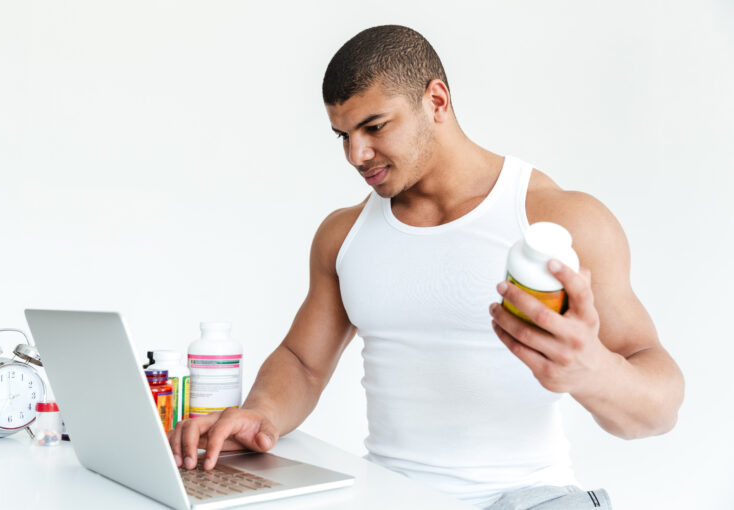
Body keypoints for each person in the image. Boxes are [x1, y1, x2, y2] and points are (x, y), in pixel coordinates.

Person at [168, 25, 684, 509]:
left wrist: (590, 370)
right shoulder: (343, 235)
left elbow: (658, 408)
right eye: (342, 135)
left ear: (436, 101)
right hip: (389, 495)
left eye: (374, 127)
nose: (356, 154)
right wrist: (259, 415)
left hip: (527, 499)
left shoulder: (558, 219)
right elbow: (303, 362)